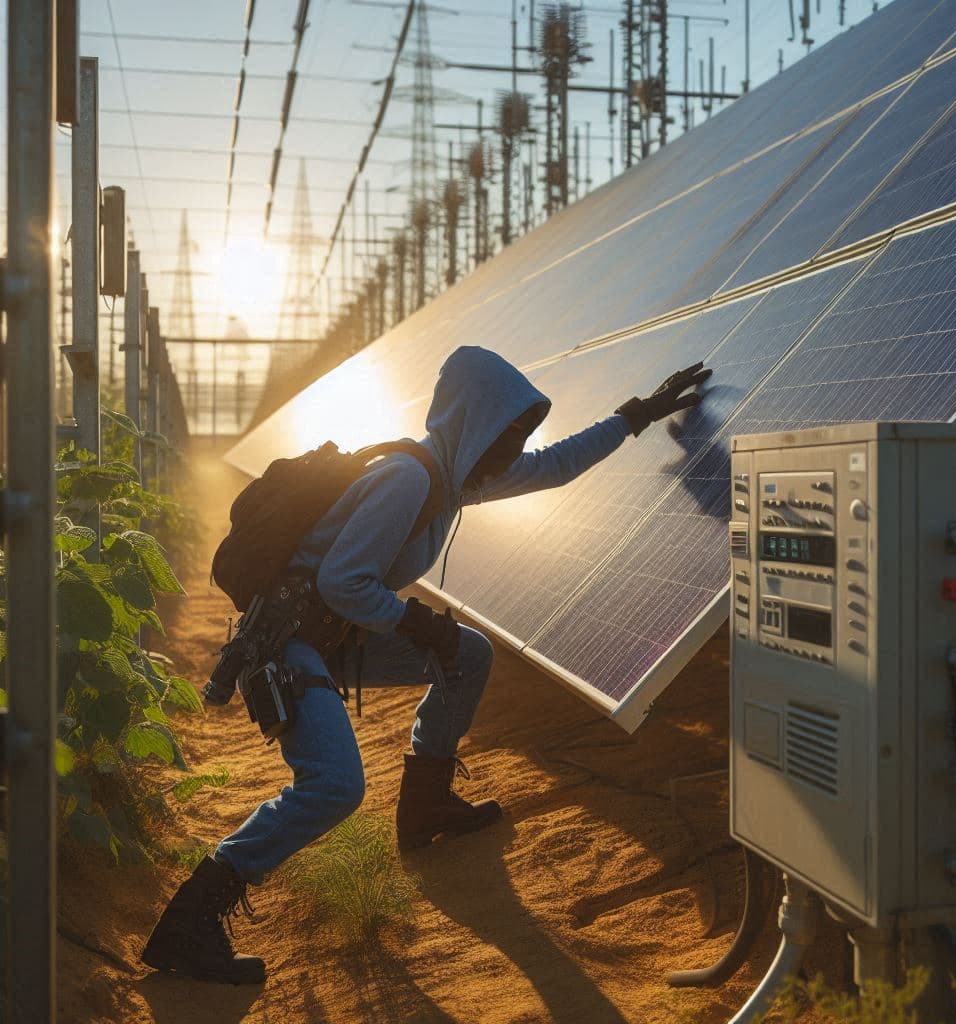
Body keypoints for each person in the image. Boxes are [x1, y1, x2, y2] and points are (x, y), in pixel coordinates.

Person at [140, 344, 711, 984]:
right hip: (289, 640)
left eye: (519, 432)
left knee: (469, 652)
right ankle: (192, 917)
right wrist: (417, 622)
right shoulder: (410, 479)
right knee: (333, 786)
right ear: (473, 423)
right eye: (507, 431)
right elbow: (343, 583)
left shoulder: (456, 479)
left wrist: (637, 415)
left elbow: (555, 467)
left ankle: (425, 806)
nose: (513, 448)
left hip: (331, 634)